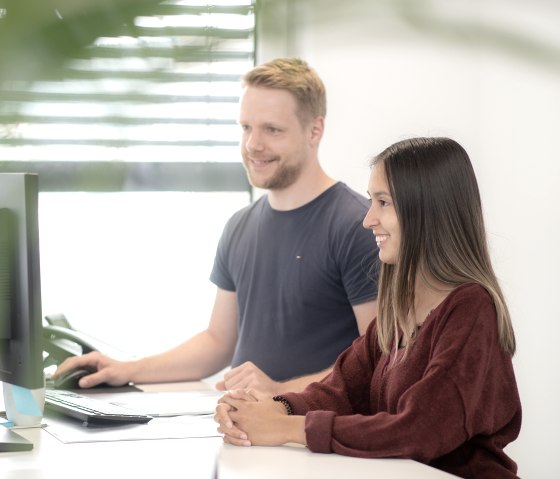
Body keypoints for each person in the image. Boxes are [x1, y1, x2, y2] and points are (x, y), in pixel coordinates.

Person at [53, 58, 379, 395]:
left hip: (304, 432)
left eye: (272, 129)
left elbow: (378, 362)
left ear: (315, 130)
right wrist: (126, 368)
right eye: (246, 127)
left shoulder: (359, 226)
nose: (253, 144)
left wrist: (278, 391)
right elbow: (218, 342)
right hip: (243, 427)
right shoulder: (240, 226)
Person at [215, 137, 522, 479]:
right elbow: (341, 390)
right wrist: (269, 408)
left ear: (426, 209)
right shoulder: (400, 310)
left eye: (383, 202)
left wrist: (288, 428)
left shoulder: (471, 310)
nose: (367, 220)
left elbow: (420, 429)